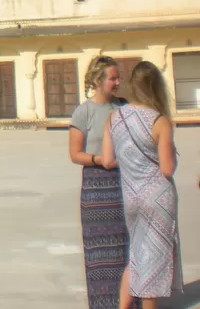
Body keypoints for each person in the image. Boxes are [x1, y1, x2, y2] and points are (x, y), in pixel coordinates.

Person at [101, 61, 183, 309]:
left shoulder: (114, 117)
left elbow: (106, 160)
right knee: (154, 260)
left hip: (131, 195)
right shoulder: (159, 121)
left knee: (136, 255)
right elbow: (167, 169)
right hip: (158, 198)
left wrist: (130, 163)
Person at [68, 56, 136, 309]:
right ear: (98, 81)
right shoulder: (83, 111)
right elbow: (76, 154)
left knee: (127, 246)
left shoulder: (125, 107)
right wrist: (102, 160)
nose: (118, 82)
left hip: (127, 183)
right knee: (99, 251)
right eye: (113, 78)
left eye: (118, 78)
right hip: (97, 187)